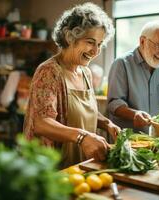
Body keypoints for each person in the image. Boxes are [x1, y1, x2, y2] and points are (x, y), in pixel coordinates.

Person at [23, 2, 120, 168]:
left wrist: (107, 124)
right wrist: (83, 137)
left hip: (80, 162)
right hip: (50, 166)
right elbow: (42, 123)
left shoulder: (85, 73)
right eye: (90, 42)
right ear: (70, 37)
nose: (95, 51)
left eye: (100, 44)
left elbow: (82, 112)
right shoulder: (49, 72)